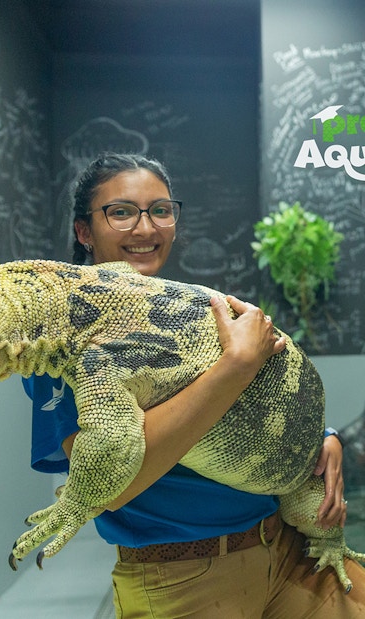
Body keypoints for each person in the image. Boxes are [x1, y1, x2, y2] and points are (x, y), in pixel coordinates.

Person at [23, 153, 365, 617]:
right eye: (121, 212)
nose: (145, 229)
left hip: (291, 549)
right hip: (183, 580)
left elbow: (259, 403)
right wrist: (235, 366)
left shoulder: (187, 307)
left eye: (160, 210)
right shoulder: (62, 346)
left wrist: (325, 439)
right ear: (84, 231)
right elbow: (110, 487)